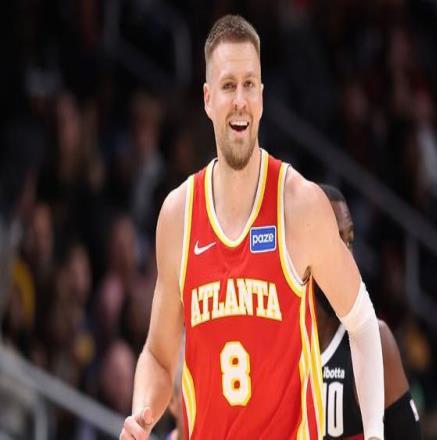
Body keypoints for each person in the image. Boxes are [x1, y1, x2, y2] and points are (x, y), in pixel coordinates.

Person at [120, 15, 384, 440]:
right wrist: (143, 416)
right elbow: (158, 355)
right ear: (208, 99)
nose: (240, 100)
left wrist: (374, 434)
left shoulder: (299, 204)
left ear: (262, 96)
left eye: (249, 85)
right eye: (228, 86)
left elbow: (363, 322)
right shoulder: (177, 215)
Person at [316, 184, 421, 439]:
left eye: (350, 241)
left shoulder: (375, 340)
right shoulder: (279, 344)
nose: (348, 258)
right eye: (334, 240)